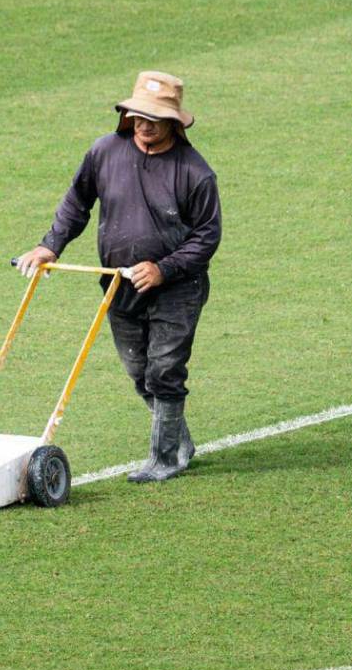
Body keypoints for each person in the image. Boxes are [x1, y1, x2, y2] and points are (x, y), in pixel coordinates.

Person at [16, 71, 221, 483]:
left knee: (165, 371)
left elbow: (207, 235)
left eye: (154, 118)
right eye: (138, 114)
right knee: (138, 372)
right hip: (118, 284)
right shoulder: (104, 152)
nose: (144, 123)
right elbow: (77, 202)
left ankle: (166, 459)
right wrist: (49, 245)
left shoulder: (195, 173)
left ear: (173, 124)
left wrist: (163, 269)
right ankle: (179, 442)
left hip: (177, 290)